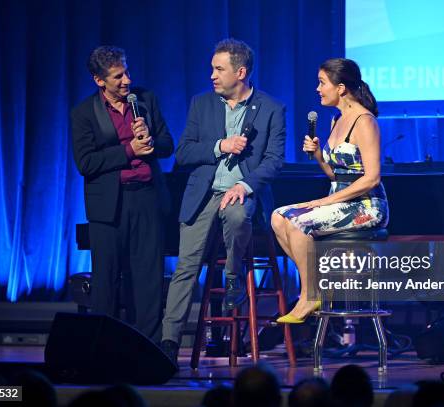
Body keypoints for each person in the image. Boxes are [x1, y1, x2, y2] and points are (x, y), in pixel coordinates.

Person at [160, 38, 286, 365]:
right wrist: (220, 146)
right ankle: (169, 342)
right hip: (203, 194)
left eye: (219, 69)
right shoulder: (201, 104)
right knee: (185, 267)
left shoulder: (271, 108)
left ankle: (233, 275)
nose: (212, 75)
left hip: (242, 192)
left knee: (236, 217)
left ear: (240, 72)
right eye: (212, 68)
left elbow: (273, 161)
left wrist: (245, 185)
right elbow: (184, 152)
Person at [271, 58, 389, 323]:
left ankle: (311, 294)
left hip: (366, 206)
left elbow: (371, 178)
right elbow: (337, 174)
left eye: (322, 82)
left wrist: (326, 201)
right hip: (338, 200)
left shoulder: (364, 121)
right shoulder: (337, 119)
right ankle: (319, 285)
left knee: (299, 222)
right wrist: (318, 158)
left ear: (342, 88)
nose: (317, 89)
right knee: (279, 217)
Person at [71, 46, 174, 343]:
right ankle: (105, 349)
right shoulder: (84, 113)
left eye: (127, 72)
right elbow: (86, 163)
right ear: (99, 80)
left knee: (149, 280)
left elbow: (168, 144)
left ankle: (148, 348)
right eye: (118, 76)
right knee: (106, 281)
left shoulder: (145, 100)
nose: (126, 80)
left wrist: (151, 139)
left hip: (146, 198)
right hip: (109, 206)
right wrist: (129, 150)